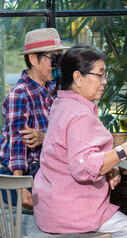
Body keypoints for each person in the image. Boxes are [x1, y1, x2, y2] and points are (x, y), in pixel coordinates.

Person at [32, 44, 127, 237]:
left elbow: (76, 152)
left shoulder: (62, 103)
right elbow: (82, 168)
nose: (104, 81)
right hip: (74, 213)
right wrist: (125, 150)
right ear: (78, 78)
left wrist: (109, 166)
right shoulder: (80, 114)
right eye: (100, 75)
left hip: (50, 209)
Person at [0, 28, 68, 209]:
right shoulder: (20, 95)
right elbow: (17, 143)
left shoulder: (56, 90)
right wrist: (21, 188)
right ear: (32, 59)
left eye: (59, 58)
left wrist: (45, 137)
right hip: (25, 174)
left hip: (51, 170)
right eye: (52, 58)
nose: (56, 65)